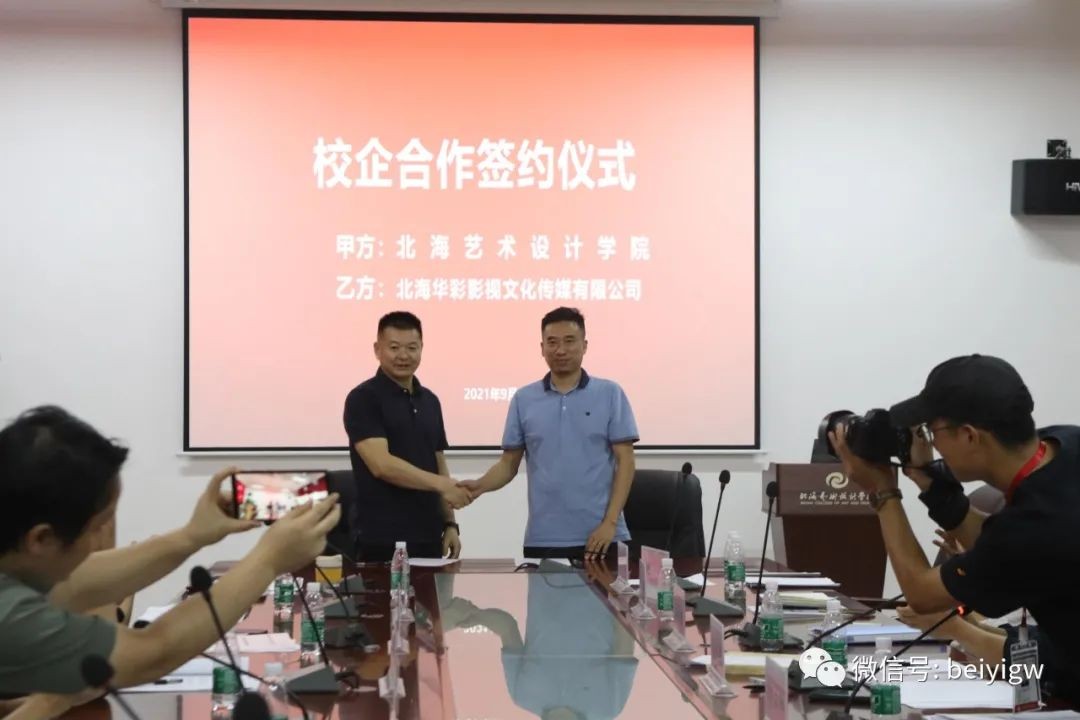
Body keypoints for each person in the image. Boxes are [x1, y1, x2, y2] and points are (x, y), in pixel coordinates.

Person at [0, 406, 340, 715]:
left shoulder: (16, 565)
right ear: (41, 539)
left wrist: (192, 536)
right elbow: (152, 653)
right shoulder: (9, 612)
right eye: (97, 528)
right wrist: (268, 560)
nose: (101, 541)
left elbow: (82, 582)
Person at [828, 354, 1080, 707]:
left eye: (933, 432)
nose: (932, 444)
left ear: (969, 435)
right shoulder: (1065, 442)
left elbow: (922, 594)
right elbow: (1004, 548)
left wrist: (882, 492)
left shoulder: (1038, 525)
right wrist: (930, 483)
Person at [464, 307, 638, 560]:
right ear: (542, 348)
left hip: (603, 537)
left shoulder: (610, 393)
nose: (560, 350)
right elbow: (508, 464)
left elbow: (626, 461)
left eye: (569, 341)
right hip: (543, 538)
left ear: (584, 345)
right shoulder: (524, 399)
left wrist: (610, 523)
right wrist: (478, 487)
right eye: (552, 342)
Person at [343, 311, 471, 562]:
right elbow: (382, 465)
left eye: (412, 348)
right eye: (394, 347)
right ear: (377, 349)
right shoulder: (363, 398)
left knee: (434, 590)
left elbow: (438, 463)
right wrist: (441, 484)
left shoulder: (430, 401)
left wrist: (449, 523)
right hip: (381, 538)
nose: (403, 356)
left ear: (422, 348)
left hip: (428, 536)